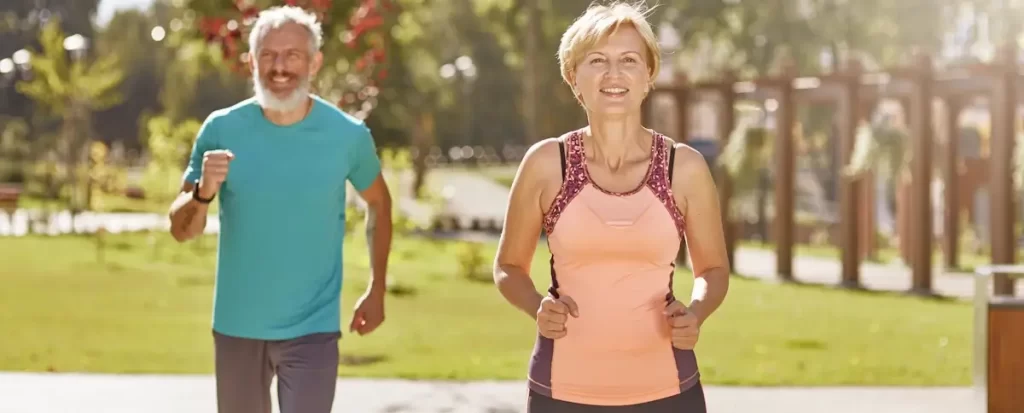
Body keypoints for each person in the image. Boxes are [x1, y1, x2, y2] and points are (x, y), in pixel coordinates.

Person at [493, 2, 730, 412]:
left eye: (629, 61)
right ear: (573, 76)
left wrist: (697, 312)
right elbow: (508, 268)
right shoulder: (547, 164)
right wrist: (538, 307)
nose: (614, 74)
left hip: (669, 392)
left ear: (649, 76)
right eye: (597, 60)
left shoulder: (683, 167)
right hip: (561, 393)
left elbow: (713, 270)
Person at [167, 6, 393, 413]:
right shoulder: (220, 129)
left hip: (313, 329)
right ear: (252, 61)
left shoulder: (347, 136)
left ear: (314, 62)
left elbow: (379, 203)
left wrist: (377, 288)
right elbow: (182, 230)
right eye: (269, 55)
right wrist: (203, 192)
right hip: (238, 328)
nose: (280, 66)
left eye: (292, 55)